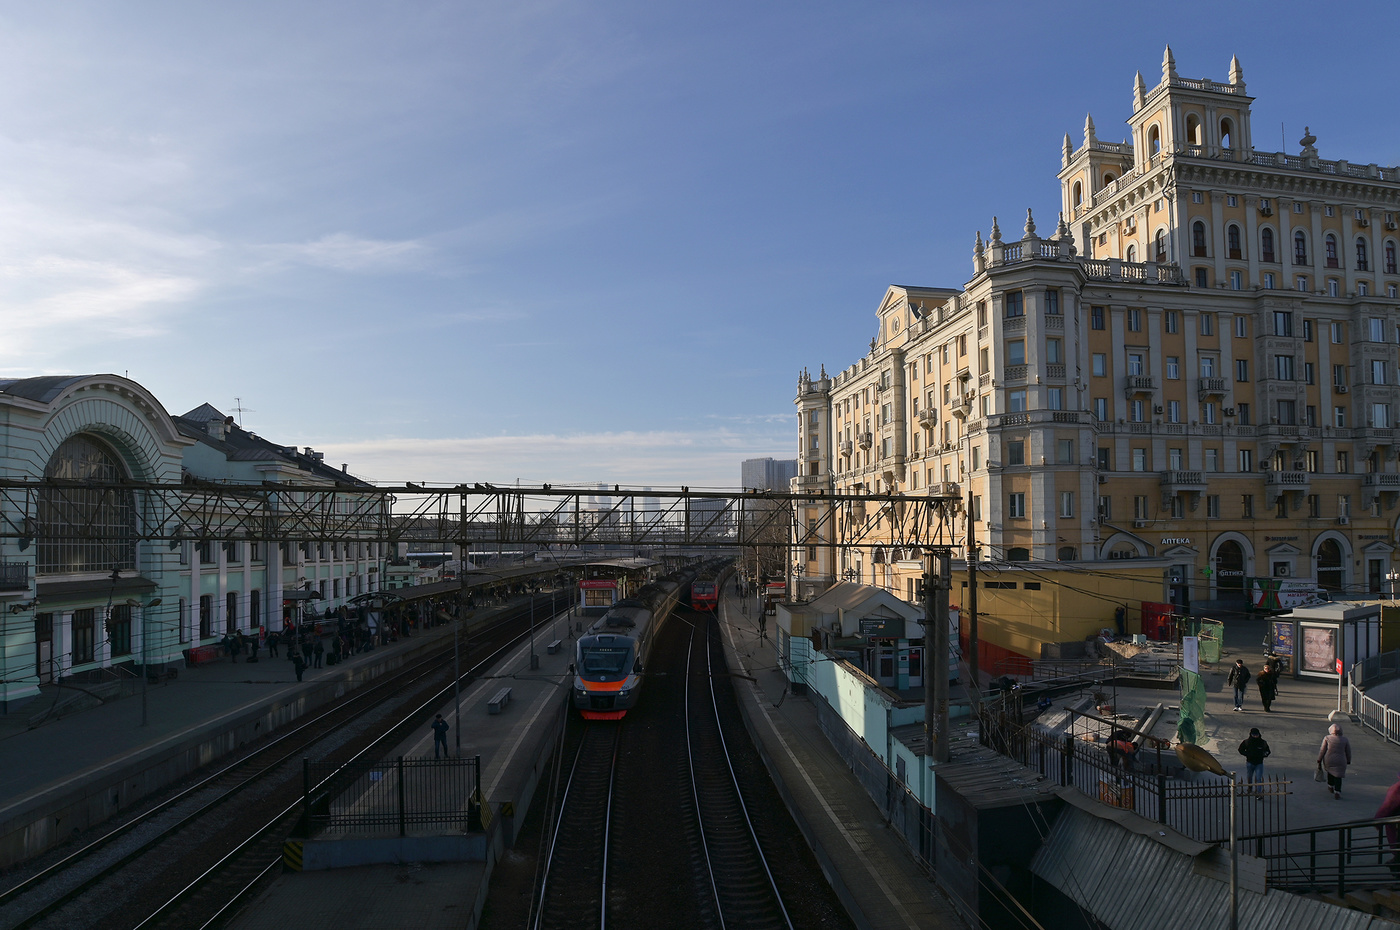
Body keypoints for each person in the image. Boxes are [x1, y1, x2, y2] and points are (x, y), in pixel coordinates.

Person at [1318, 723, 1353, 800]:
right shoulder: (1345, 740)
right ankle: (1337, 791)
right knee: (1338, 776)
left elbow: (1322, 750)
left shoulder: (1327, 738)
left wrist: (1319, 759)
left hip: (1329, 759)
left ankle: (1330, 785)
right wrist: (1348, 760)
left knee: (1330, 772)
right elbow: (1348, 751)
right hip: (1341, 760)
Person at [1376, 771, 1400, 874]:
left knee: (1398, 845)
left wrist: (1378, 820)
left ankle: (1396, 865)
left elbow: (1388, 806)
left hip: (1397, 825)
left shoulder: (1397, 788)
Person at [1238, 727, 1271, 794]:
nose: (1255, 736)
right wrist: (1247, 754)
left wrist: (1264, 754)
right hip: (1250, 762)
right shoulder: (1247, 742)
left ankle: (1259, 792)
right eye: (1254, 735)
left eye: (1256, 735)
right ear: (1251, 734)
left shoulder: (1263, 742)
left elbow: (1268, 751)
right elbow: (1240, 750)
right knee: (1249, 777)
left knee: (1259, 778)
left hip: (1259, 763)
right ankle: (1250, 788)